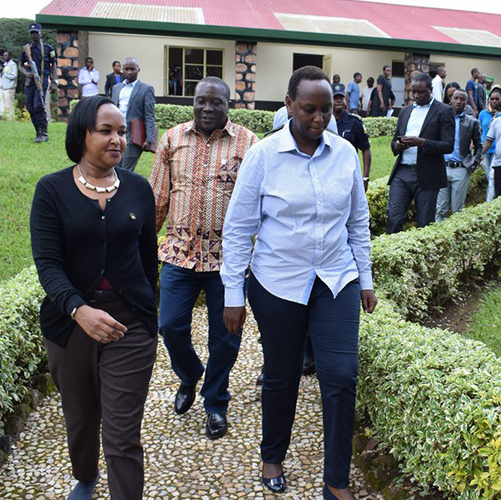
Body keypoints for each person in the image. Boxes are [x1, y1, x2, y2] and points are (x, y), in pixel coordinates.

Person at [221, 65, 377, 500]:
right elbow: (238, 229)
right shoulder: (264, 156)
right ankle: (273, 455)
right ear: (289, 105)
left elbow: (358, 221)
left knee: (342, 375)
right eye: (309, 109)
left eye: (326, 109)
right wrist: (233, 294)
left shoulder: (345, 153)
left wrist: (364, 278)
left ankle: (336, 480)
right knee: (281, 373)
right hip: (277, 282)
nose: (318, 118)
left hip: (335, 278)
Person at [30, 96, 158, 500]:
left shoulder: (138, 189)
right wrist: (78, 309)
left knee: (122, 434)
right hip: (69, 326)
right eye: (106, 131)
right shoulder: (51, 190)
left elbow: (147, 259)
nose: (118, 139)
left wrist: (149, 315)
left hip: (130, 326)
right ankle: (85, 475)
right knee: (81, 420)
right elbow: (48, 264)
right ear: (81, 134)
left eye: (122, 131)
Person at [149, 77, 257, 439]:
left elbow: (260, 201)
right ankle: (190, 374)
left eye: (216, 103)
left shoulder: (248, 144)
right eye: (201, 102)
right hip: (179, 253)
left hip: (228, 258)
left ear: (229, 105)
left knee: (226, 337)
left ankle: (215, 402)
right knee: (170, 325)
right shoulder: (172, 139)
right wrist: (140, 246)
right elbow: (157, 199)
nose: (208, 109)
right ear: (192, 102)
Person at [386, 72, 454, 234]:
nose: (416, 95)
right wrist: (397, 145)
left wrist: (421, 142)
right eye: (413, 92)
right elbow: (394, 141)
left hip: (428, 173)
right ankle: (393, 254)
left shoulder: (444, 111)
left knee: (424, 223)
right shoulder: (405, 111)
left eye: (421, 92)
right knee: (393, 217)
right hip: (402, 172)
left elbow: (448, 145)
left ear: (431, 90)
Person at [435, 89, 482, 221]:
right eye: (456, 98)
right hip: (442, 168)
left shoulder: (472, 122)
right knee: (440, 209)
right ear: (451, 100)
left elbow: (479, 146)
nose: (458, 102)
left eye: (462, 99)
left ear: (466, 102)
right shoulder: (442, 119)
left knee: (457, 210)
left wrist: (473, 164)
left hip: (461, 169)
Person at [110, 57, 156, 171]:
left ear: (138, 70)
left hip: (134, 136)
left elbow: (149, 114)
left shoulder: (146, 89)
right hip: (116, 135)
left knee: (126, 170)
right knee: (113, 168)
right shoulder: (116, 88)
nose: (129, 72)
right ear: (123, 70)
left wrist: (149, 138)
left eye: (132, 69)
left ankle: (124, 188)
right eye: (126, 69)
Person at [19, 22, 56, 143]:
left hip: (43, 79)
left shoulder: (48, 48)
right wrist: (27, 73)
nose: (34, 35)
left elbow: (54, 64)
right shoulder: (26, 49)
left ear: (40, 33)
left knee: (38, 105)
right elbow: (20, 65)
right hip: (30, 81)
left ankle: (43, 132)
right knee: (30, 106)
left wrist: (54, 80)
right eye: (32, 33)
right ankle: (37, 131)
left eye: (36, 33)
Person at [333, 87, 372, 191]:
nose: (338, 100)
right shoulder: (323, 123)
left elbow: (366, 149)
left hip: (349, 174)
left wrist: (365, 178)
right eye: (335, 97)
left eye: (341, 97)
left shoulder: (354, 122)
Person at [478, 87, 501, 202]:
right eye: (492, 99)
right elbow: (479, 130)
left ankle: (488, 203)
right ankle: (496, 195)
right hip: (484, 149)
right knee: (489, 176)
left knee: (492, 176)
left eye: (497, 99)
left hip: (497, 149)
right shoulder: (483, 113)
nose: (494, 101)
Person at [0, 50, 18, 120]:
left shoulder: (12, 64)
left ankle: (11, 119)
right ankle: (8, 118)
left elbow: (14, 75)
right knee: (6, 105)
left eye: (6, 55)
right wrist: (1, 72)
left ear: (10, 56)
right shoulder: (5, 65)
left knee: (9, 105)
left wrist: (4, 72)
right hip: (4, 87)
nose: (4, 57)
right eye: (4, 55)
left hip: (9, 87)